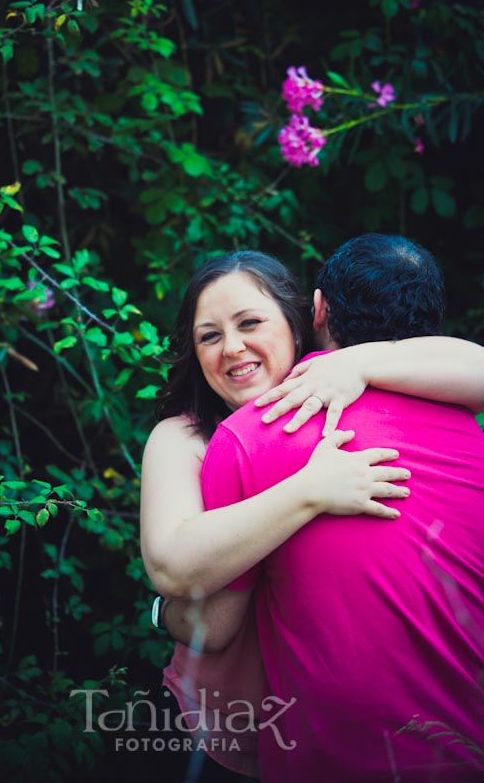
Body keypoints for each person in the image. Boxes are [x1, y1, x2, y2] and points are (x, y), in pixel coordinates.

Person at [140, 248, 484, 778]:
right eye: (209, 336)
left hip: (312, 733)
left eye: (250, 322)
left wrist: (359, 361)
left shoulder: (351, 392)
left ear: (303, 319)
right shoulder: (191, 436)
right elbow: (187, 585)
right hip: (217, 728)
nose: (233, 347)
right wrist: (309, 490)